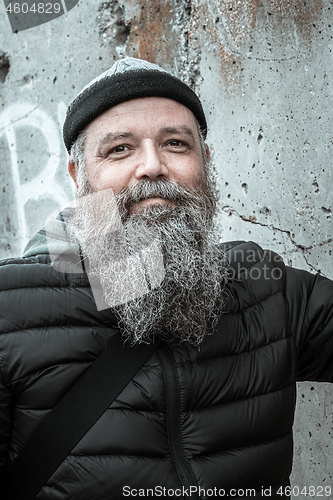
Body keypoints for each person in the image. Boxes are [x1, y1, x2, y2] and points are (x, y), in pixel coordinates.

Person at [0, 57, 332, 500]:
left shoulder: (265, 287)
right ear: (79, 177)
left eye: (176, 144)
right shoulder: (10, 307)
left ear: (205, 162)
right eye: (120, 149)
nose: (152, 166)